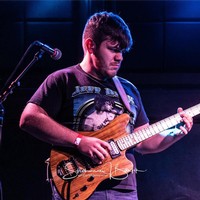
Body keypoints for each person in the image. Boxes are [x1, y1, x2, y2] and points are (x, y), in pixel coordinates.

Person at [19, 11, 193, 200]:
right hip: (78, 183)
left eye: (122, 51)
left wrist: (175, 133)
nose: (120, 57)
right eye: (113, 49)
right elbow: (29, 118)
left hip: (124, 190)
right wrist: (79, 141)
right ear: (90, 45)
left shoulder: (128, 90)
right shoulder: (63, 79)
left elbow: (143, 142)